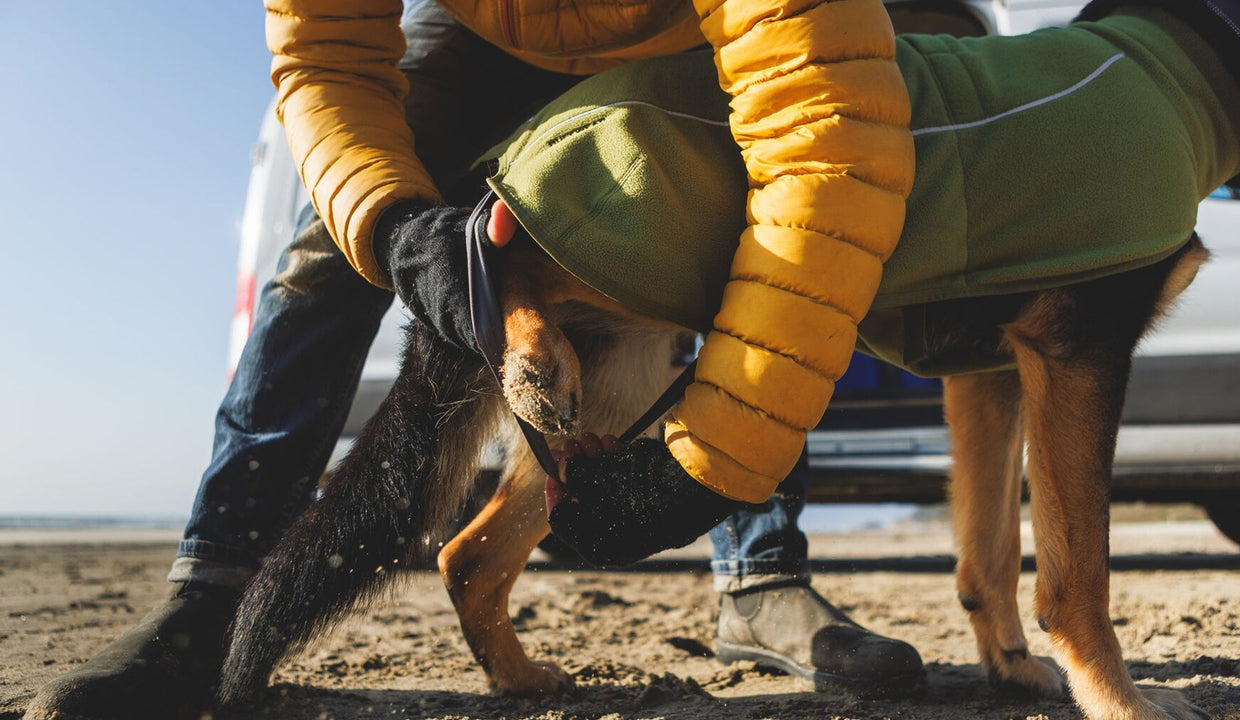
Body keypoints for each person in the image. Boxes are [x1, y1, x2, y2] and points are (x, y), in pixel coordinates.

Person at [23, 2, 922, 718]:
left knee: (764, 237)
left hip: (695, 31)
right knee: (328, 252)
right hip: (479, 31)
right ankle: (211, 589)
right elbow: (326, 57)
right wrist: (397, 230)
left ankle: (761, 578)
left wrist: (716, 466)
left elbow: (818, 174)